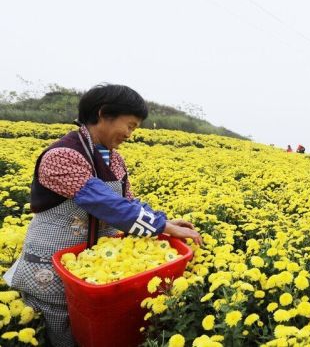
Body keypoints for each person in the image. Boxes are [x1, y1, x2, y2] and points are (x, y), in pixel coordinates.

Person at [6, 84, 203, 346]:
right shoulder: (61, 156)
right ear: (104, 113)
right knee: (62, 334)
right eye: (130, 126)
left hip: (97, 271)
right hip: (53, 271)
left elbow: (127, 203)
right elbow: (106, 204)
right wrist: (162, 225)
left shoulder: (115, 160)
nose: (131, 135)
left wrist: (163, 221)